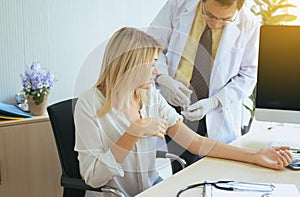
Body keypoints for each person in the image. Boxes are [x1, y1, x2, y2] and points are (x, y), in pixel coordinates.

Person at [74, 27, 292, 197]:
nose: (157, 71)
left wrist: (254, 156)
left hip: (153, 189)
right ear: (130, 66)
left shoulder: (149, 97)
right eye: (151, 64)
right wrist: (133, 132)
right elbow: (93, 178)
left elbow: (196, 143)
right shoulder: (89, 104)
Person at [147, 0, 260, 171]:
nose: (215, 24)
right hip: (174, 107)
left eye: (225, 19)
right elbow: (151, 46)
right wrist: (163, 78)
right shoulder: (178, 6)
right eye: (209, 15)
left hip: (217, 111)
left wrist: (215, 101)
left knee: (218, 173)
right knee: (180, 172)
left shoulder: (248, 23)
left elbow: (248, 75)